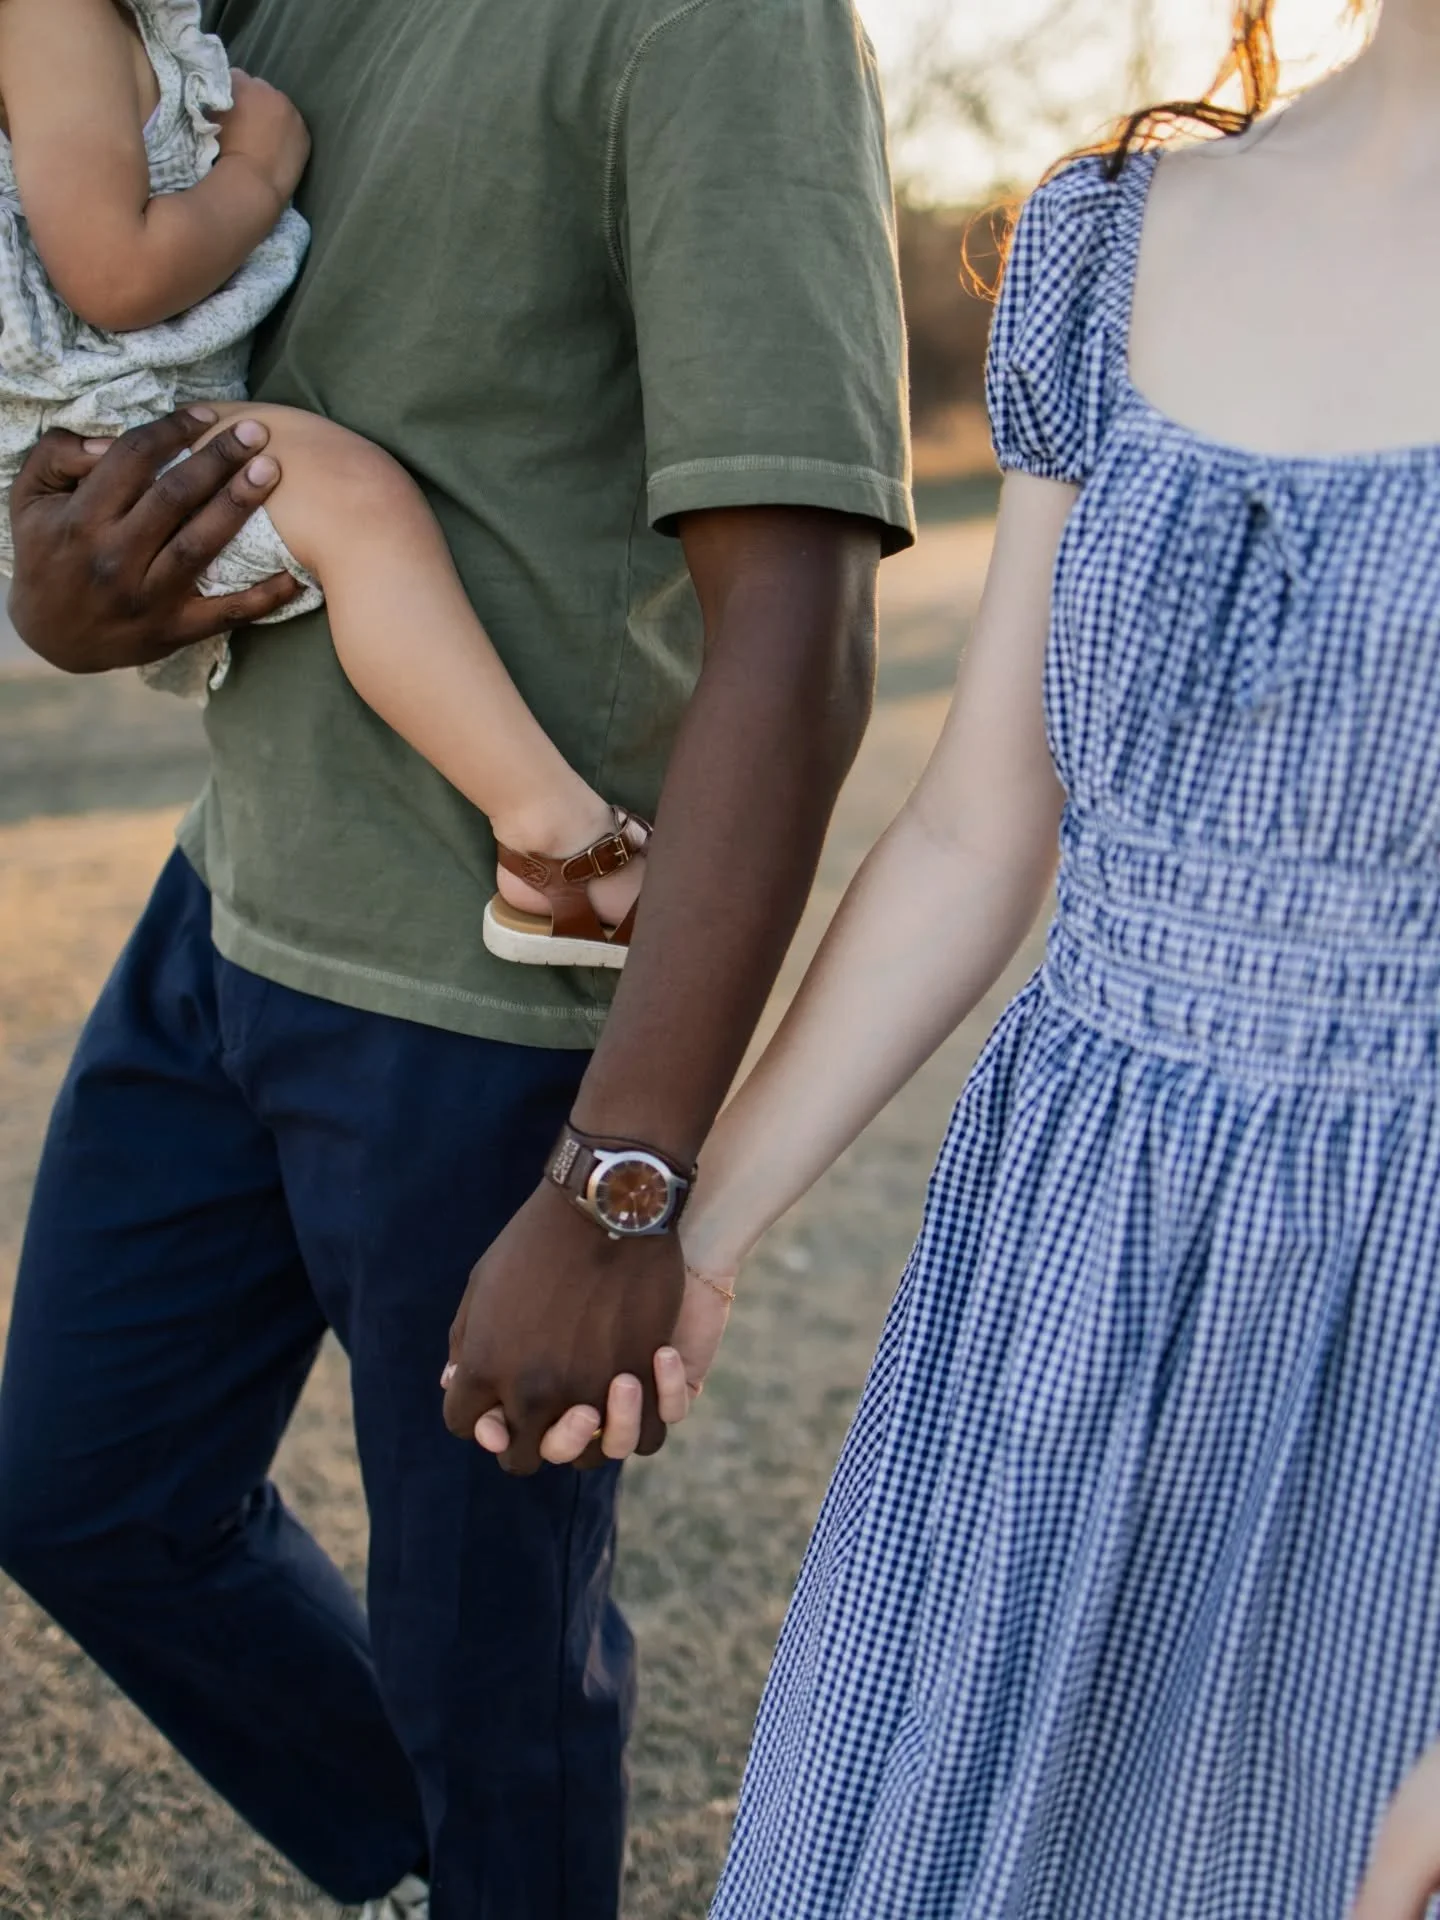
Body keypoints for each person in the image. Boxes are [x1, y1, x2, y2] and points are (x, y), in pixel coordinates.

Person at [520, 0, 1440, 1911]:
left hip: (1395, 1334)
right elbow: (973, 833)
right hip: (1062, 1268)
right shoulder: (1120, 226)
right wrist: (681, 1229)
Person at [0, 2, 913, 1917]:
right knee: (82, 1496)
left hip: (491, 1007)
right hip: (228, 902)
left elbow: (802, 624)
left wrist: (625, 1167)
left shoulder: (715, 29)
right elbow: (137, 353)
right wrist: (68, 594)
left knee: (488, 1688)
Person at [0, 0, 654, 969]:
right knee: (357, 503)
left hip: (137, 413)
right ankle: (554, 845)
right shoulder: (54, 15)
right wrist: (256, 174)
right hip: (110, 436)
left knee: (349, 501)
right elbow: (115, 274)